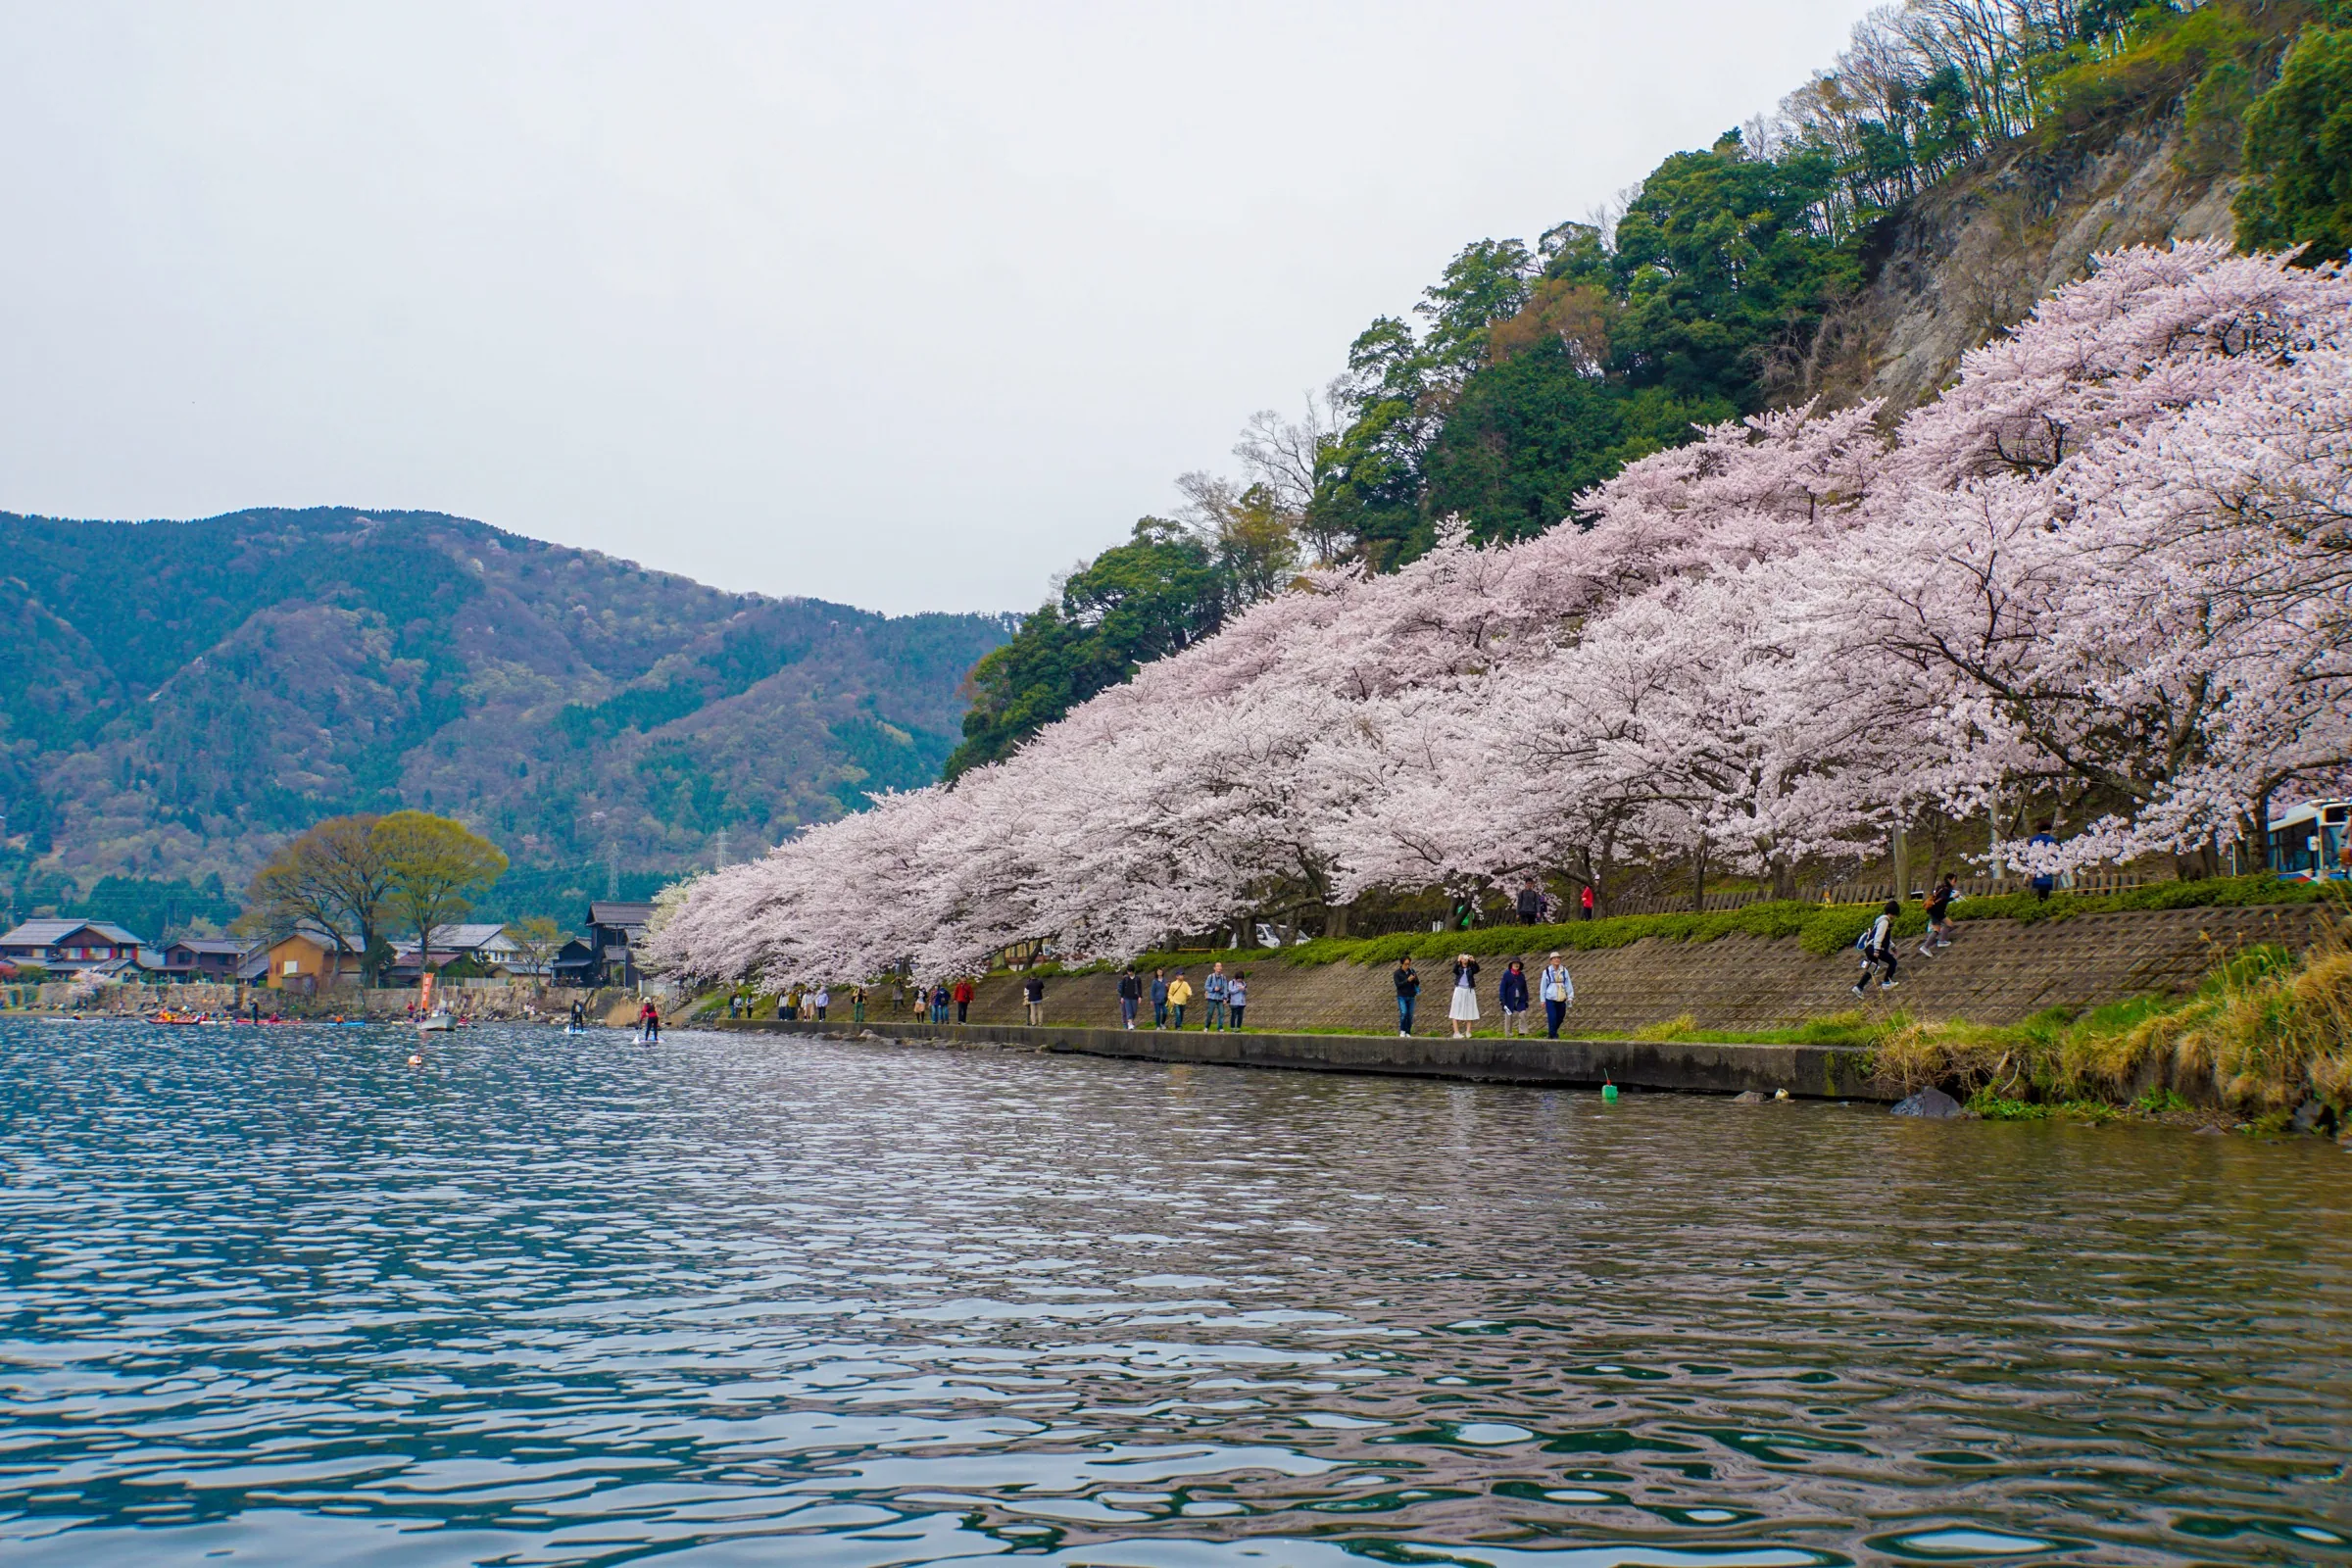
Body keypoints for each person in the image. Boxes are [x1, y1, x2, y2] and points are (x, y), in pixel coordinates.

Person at [1853, 900, 1902, 995]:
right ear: (1893, 913)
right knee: (1892, 962)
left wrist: (1892, 947)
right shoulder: (1884, 922)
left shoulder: (1881, 921)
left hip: (1869, 947)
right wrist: (1877, 949)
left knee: (1873, 967)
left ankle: (1859, 987)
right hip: (1875, 948)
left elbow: (1884, 937)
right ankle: (1887, 982)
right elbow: (1879, 936)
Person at [1920, 874, 1959, 957]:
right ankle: (1925, 946)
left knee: (1950, 924)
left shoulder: (1941, 887)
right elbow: (1943, 899)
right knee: (1937, 930)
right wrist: (1953, 897)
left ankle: (1942, 940)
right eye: (1954, 880)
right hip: (1936, 911)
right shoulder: (1946, 889)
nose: (1955, 883)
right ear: (1949, 880)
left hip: (1937, 910)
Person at [1539, 951, 1574, 1038]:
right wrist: (1542, 999)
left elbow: (1568, 984)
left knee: (1561, 1017)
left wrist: (1570, 996)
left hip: (1561, 997)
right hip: (1550, 997)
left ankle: (1551, 1033)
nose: (1557, 960)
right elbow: (1543, 986)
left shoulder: (1564, 970)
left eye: (1558, 958)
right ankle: (1554, 1035)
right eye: (1555, 958)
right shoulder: (1546, 971)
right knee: (1552, 1017)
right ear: (1551, 961)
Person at [1448, 954, 1482, 1038]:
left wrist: (1473, 961)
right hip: (1459, 989)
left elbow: (1477, 970)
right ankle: (1456, 1032)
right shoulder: (1458, 967)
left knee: (1469, 1009)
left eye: (1466, 958)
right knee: (1455, 1010)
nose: (1465, 959)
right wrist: (1458, 961)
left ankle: (1468, 1031)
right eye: (1463, 958)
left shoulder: (1471, 968)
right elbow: (1454, 970)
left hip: (1469, 990)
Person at [1497, 959, 1531, 1035]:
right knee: (1508, 1015)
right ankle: (1508, 1033)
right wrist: (1502, 999)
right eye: (1515, 963)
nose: (1516, 965)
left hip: (1520, 998)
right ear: (1511, 965)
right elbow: (1502, 988)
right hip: (1509, 998)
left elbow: (1525, 988)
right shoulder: (1506, 974)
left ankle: (1522, 1032)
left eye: (1518, 964)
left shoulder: (1521, 975)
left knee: (1523, 1013)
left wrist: (1526, 999)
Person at [2028, 822, 2058, 902]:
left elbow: (2031, 854)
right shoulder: (2051, 839)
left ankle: (2040, 902)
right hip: (2048, 864)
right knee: (2046, 886)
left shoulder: (2034, 839)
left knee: (2039, 887)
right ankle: (2044, 903)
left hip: (2036, 865)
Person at [1394, 957, 1420, 1036]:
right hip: (1402, 996)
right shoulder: (1397, 973)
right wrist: (1407, 980)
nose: (1407, 966)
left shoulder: (1412, 971)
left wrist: (1414, 979)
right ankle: (1402, 1030)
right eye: (1406, 964)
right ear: (1402, 964)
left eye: (1409, 964)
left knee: (1410, 1015)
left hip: (1411, 995)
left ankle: (1408, 1031)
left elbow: (1417, 983)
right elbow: (1398, 985)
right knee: (1404, 1013)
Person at [1203, 962, 1230, 1031]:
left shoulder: (1223, 977)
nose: (1219, 968)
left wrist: (1225, 998)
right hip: (1212, 997)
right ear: (1214, 968)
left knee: (1221, 1013)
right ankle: (1206, 1027)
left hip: (1220, 997)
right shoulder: (1211, 976)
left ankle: (1220, 1027)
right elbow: (1206, 986)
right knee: (1210, 1013)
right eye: (1217, 966)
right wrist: (1213, 989)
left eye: (1220, 966)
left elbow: (1225, 988)